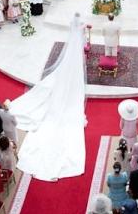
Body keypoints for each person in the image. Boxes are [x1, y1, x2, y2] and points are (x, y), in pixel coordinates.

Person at [8, 13, 88, 180]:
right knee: (74, 70)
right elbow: (83, 34)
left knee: (68, 65)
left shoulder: (73, 24)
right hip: (77, 48)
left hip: (73, 48)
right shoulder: (80, 27)